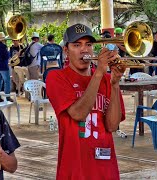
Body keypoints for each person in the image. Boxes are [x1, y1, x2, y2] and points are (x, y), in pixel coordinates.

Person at [46, 23, 126, 179]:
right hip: (75, 169)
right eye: (77, 45)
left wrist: (115, 84)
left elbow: (112, 125)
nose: (84, 50)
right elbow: (78, 113)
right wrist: (99, 73)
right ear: (66, 50)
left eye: (88, 44)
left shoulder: (107, 79)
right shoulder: (56, 77)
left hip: (105, 167)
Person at [0, 32, 13, 102]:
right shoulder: (4, 47)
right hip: (4, 66)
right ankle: (7, 97)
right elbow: (7, 56)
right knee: (7, 82)